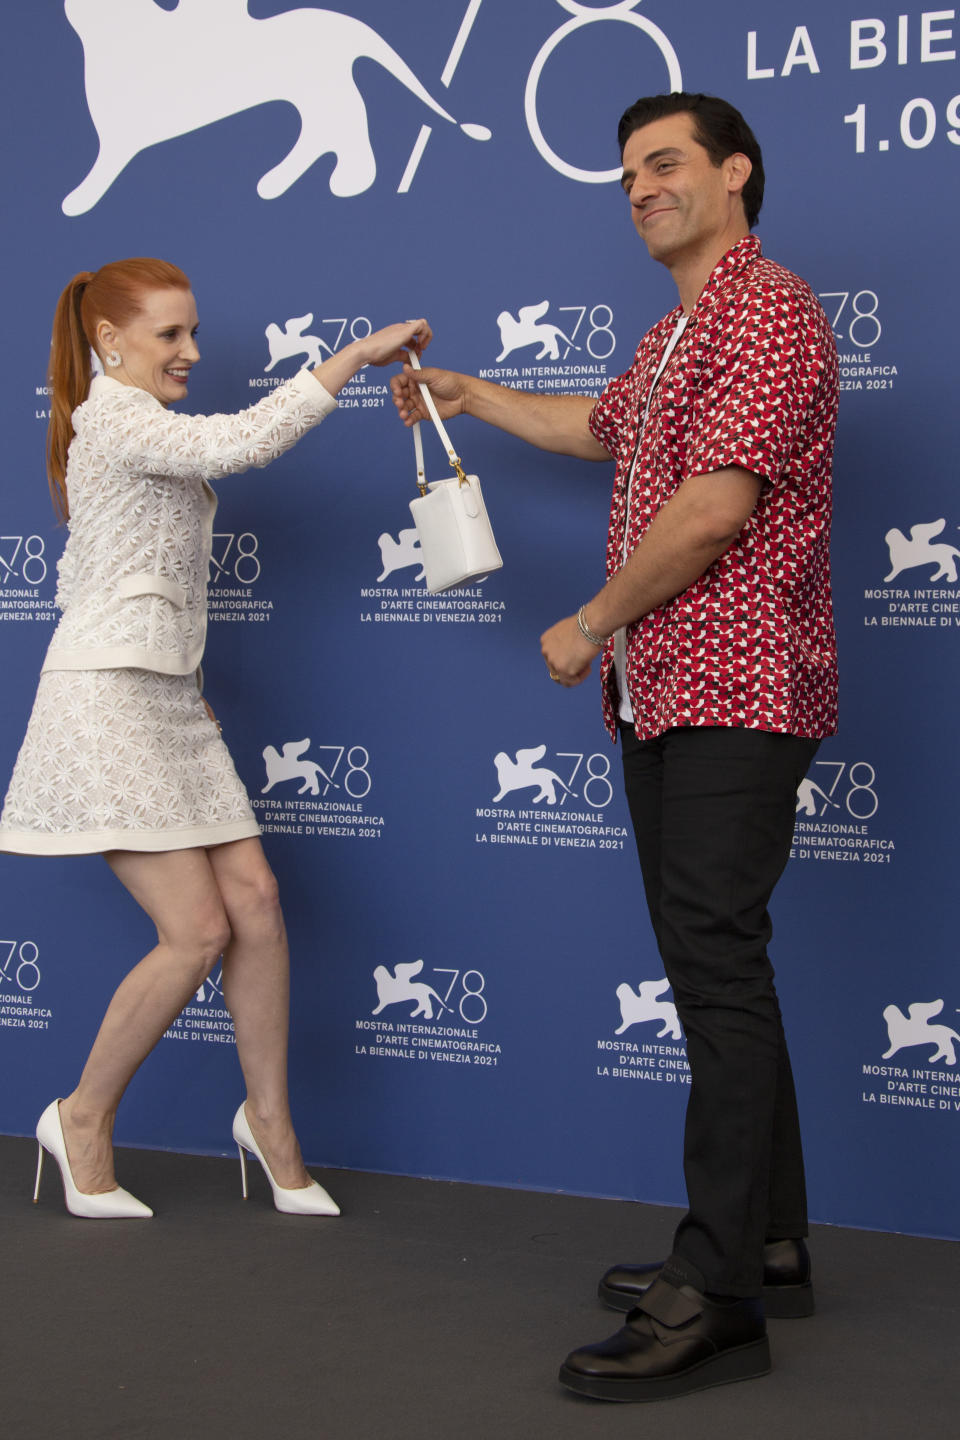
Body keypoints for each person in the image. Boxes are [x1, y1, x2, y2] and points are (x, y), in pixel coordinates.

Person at [391, 93, 838, 1401]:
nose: (640, 186)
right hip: (668, 697)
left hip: (736, 693)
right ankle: (768, 1239)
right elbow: (604, 426)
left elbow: (711, 511)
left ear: (735, 172)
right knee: (720, 970)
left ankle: (720, 1296)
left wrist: (589, 621)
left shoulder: (767, 309)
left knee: (715, 967)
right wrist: (477, 397)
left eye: (667, 163)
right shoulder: (679, 331)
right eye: (627, 171)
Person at [0, 257, 430, 1219]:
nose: (192, 351)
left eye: (192, 332)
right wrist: (353, 357)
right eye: (171, 336)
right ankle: (78, 1120)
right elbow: (239, 443)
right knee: (194, 932)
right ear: (111, 342)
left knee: (258, 903)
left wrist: (190, 689)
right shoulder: (112, 413)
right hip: (105, 701)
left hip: (166, 699)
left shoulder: (130, 415)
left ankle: (269, 1124)